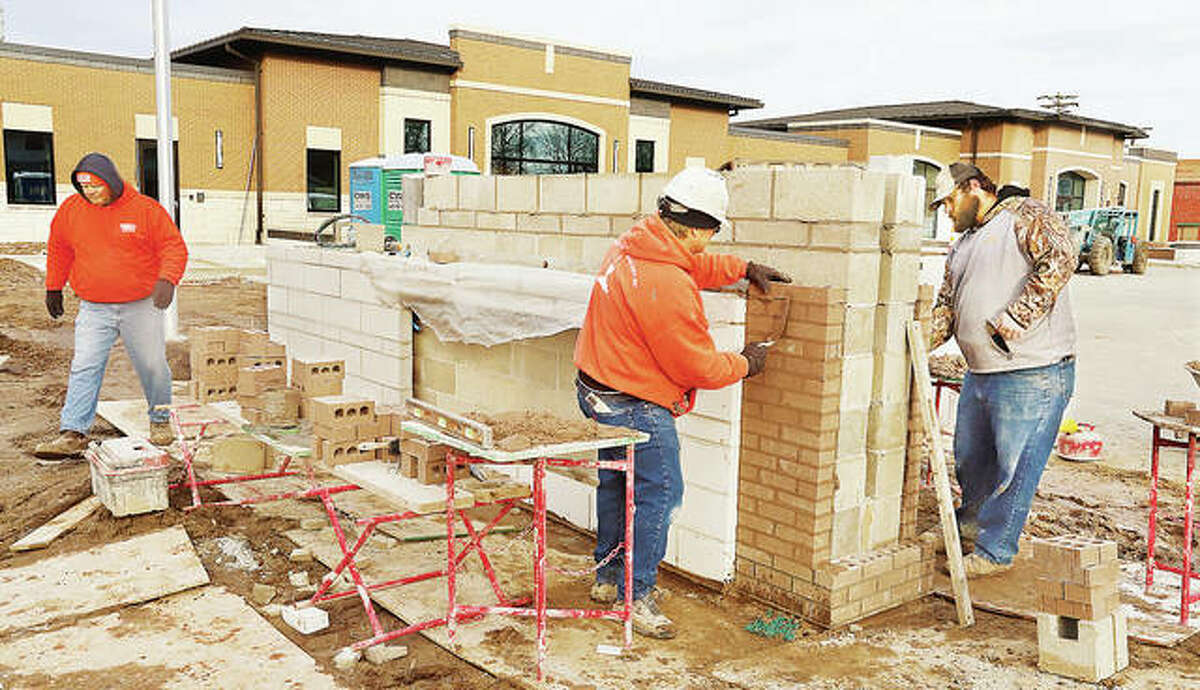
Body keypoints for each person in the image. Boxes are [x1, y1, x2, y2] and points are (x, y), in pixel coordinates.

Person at [574, 167, 790, 637]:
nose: (708, 243)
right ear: (693, 227)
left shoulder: (636, 244)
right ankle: (639, 597)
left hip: (595, 390)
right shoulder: (666, 284)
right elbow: (698, 368)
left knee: (616, 485)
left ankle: (608, 578)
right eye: (710, 234)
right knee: (660, 494)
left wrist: (742, 268)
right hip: (632, 402)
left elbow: (691, 265)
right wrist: (747, 363)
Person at [927, 162, 1076, 576]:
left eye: (950, 202)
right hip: (981, 371)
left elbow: (1061, 258)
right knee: (972, 461)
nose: (947, 213)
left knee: (1014, 467)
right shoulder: (962, 244)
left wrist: (1011, 322)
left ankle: (996, 550)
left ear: (974, 187)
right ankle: (970, 526)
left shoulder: (1024, 215)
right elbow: (947, 306)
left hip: (1032, 370)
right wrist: (912, 341)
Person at [33, 152, 188, 460]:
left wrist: (167, 280)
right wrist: (54, 285)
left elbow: (173, 246)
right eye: (83, 186)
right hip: (94, 307)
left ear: (111, 181)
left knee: (153, 365)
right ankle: (72, 432)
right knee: (85, 365)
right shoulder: (71, 210)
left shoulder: (145, 210)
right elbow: (59, 248)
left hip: (140, 305)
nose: (89, 191)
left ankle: (159, 420)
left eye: (95, 185)